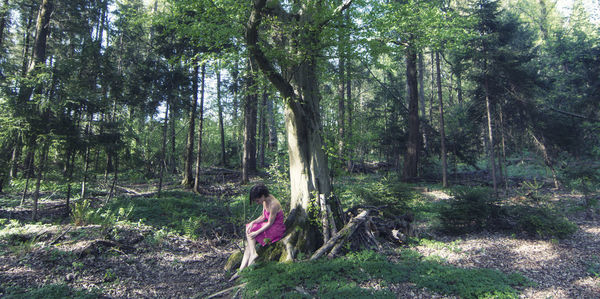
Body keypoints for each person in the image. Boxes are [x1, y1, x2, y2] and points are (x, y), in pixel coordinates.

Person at [230, 183, 285, 281]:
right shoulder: (265, 201)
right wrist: (252, 222)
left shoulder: (274, 204)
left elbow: (270, 223)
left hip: (275, 229)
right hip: (269, 226)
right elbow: (263, 217)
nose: (257, 202)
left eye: (257, 200)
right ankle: (241, 270)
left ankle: (250, 262)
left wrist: (256, 232)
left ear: (263, 195)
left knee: (252, 234)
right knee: (249, 238)